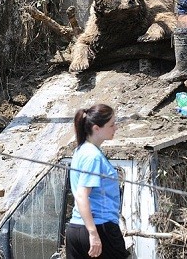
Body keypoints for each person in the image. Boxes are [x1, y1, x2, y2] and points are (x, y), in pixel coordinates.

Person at [66, 104, 129, 259]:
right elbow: (82, 195)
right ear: (96, 128)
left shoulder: (81, 151)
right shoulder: (92, 156)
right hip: (100, 228)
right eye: (112, 124)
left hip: (76, 229)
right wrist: (93, 234)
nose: (116, 128)